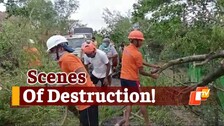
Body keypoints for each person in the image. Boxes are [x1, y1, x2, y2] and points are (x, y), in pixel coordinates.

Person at [46, 35, 98, 126]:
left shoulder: (68, 59)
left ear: (60, 48)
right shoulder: (63, 60)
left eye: (52, 51)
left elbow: (83, 75)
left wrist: (61, 84)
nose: (51, 53)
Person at [120, 30, 160, 126]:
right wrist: (152, 75)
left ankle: (127, 123)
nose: (142, 42)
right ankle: (147, 124)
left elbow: (139, 61)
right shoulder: (137, 54)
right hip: (132, 80)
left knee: (129, 101)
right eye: (140, 40)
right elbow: (141, 71)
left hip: (123, 79)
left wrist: (152, 65)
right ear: (134, 40)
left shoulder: (126, 49)